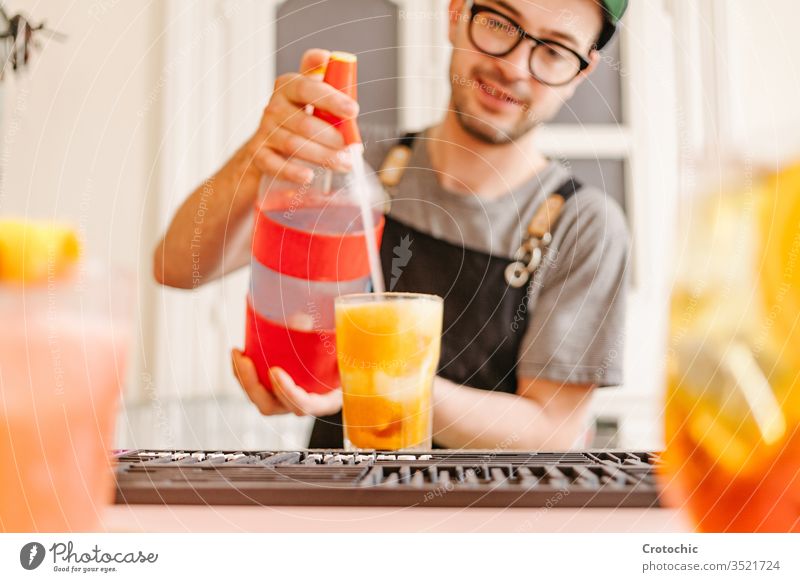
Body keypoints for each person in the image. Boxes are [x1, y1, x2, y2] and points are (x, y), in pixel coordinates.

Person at [153, 0, 630, 450]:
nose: (513, 67)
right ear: (456, 12)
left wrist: (371, 379)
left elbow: (551, 428)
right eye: (500, 23)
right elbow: (178, 266)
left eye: (552, 50)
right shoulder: (350, 171)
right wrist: (260, 155)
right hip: (336, 508)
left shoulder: (584, 227)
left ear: (580, 72)